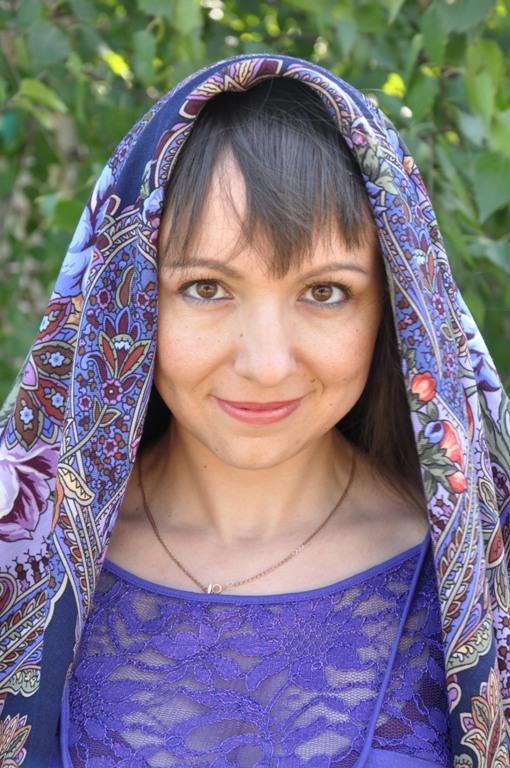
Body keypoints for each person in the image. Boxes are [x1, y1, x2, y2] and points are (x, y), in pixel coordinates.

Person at [0, 54, 508, 768]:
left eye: (325, 292)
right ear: (127, 300)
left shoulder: (484, 571)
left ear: (396, 312)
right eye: (207, 288)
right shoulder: (20, 560)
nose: (266, 364)